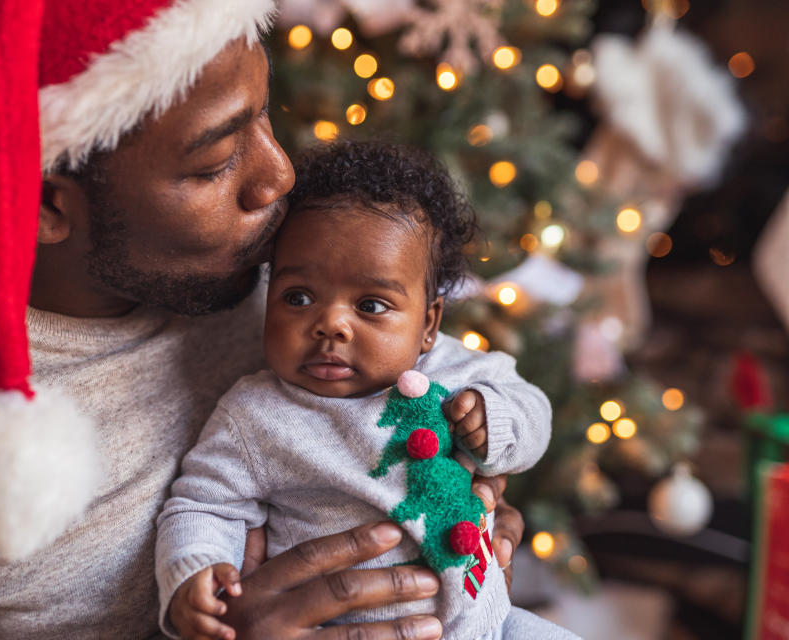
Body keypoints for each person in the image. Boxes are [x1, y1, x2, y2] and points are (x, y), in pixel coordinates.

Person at [0, 2, 525, 638]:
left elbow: (436, 390)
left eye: (265, 114)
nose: (278, 177)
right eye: (216, 161)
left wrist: (474, 497)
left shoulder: (280, 282)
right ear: (43, 202)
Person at [157, 141, 574, 640]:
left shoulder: (460, 370)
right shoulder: (256, 415)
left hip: (488, 623)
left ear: (428, 323)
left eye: (372, 305)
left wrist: (495, 419)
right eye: (298, 297)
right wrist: (195, 573)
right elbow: (204, 504)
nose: (330, 324)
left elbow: (535, 412)